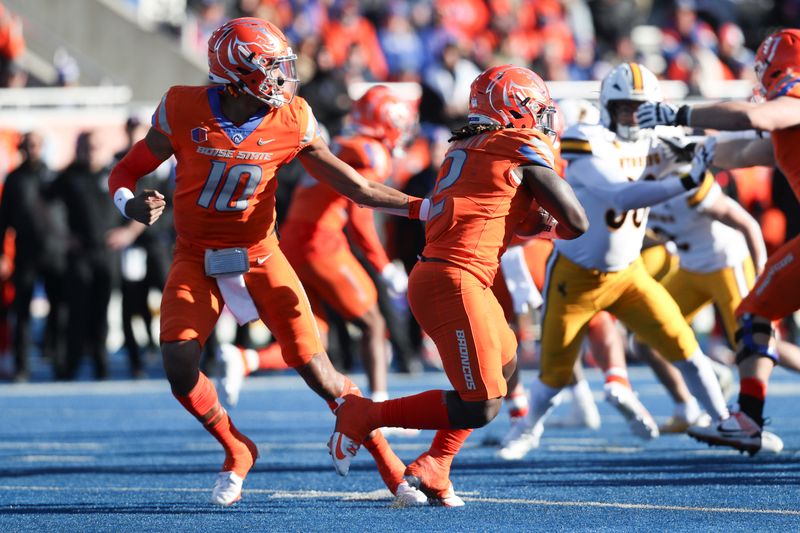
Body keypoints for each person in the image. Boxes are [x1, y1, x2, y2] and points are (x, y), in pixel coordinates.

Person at [107, 18, 428, 506]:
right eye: (271, 70)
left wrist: (421, 207)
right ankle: (238, 449)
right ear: (237, 73)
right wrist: (129, 203)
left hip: (260, 255)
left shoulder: (292, 117)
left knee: (316, 368)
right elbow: (126, 171)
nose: (283, 80)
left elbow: (355, 187)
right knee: (177, 361)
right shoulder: (182, 106)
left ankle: (392, 468)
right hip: (196, 257)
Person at [327, 64, 589, 506]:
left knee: (507, 368)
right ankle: (364, 414)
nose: (544, 119)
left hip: (458, 276)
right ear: (516, 108)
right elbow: (576, 221)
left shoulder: (467, 146)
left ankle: (436, 464)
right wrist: (549, 224)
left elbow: (497, 213)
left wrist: (536, 223)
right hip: (455, 279)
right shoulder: (515, 142)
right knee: (481, 404)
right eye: (537, 108)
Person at [498, 63, 732, 461]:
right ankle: (526, 431)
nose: (631, 117)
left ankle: (726, 421)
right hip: (575, 276)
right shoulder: (585, 138)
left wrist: (701, 150)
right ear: (608, 106)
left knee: (685, 347)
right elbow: (621, 196)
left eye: (639, 109)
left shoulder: (660, 139)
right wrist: (689, 178)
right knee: (554, 375)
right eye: (624, 108)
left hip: (629, 273)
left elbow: (712, 148)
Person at [635, 28, 800, 454]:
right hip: (700, 262)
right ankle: (746, 419)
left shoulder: (787, 103)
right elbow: (747, 152)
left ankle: (745, 420)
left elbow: (755, 118)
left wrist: (680, 114)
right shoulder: (787, 119)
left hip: (722, 259)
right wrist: (696, 149)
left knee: (754, 313)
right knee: (754, 313)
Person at [219, 85, 416, 406]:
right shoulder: (370, 151)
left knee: (315, 339)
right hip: (321, 243)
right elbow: (359, 213)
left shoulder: (338, 142)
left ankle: (245, 360)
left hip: (292, 243)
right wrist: (382, 265)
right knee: (373, 323)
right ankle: (379, 409)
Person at [49, 131, 125, 381]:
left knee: (101, 313)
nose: (90, 151)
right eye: (85, 146)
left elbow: (147, 202)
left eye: (94, 146)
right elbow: (42, 205)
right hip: (80, 255)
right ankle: (69, 367)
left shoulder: (114, 174)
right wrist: (63, 235)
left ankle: (101, 366)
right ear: (77, 147)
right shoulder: (68, 176)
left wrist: (129, 232)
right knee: (76, 312)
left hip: (108, 254)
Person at [0, 132, 64, 382]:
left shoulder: (55, 176)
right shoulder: (15, 179)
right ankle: (22, 366)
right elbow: (3, 219)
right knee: (22, 312)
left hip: (54, 252)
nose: (32, 149)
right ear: (21, 148)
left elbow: (68, 212)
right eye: (28, 145)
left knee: (59, 310)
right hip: (25, 252)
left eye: (36, 145)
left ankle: (59, 362)